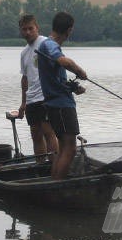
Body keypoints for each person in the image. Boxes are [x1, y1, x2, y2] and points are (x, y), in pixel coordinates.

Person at [37, 12, 87, 179]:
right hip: (61, 106)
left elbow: (56, 79)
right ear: (69, 30)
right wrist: (80, 71)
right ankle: (58, 186)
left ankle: (53, 183)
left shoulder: (47, 46)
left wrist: (73, 88)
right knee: (70, 149)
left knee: (63, 148)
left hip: (56, 104)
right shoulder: (50, 45)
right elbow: (64, 62)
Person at [18, 14, 58, 162]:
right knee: (36, 135)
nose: (27, 32)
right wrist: (23, 103)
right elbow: (25, 78)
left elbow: (58, 65)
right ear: (21, 31)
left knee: (49, 133)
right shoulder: (24, 53)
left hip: (46, 97)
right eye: (24, 29)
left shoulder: (46, 43)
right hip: (31, 100)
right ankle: (40, 166)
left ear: (37, 28)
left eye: (30, 28)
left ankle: (55, 165)